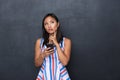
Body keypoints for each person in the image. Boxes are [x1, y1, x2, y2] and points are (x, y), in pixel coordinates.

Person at [34, 13, 71, 80]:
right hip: (45, 75)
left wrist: (56, 44)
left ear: (58, 24)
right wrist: (43, 55)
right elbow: (37, 64)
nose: (49, 26)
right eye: (46, 24)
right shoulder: (39, 42)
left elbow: (65, 62)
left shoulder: (66, 41)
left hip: (60, 75)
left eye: (52, 22)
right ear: (44, 27)